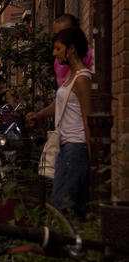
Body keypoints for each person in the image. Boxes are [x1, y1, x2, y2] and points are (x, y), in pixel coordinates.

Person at [29, 27, 92, 219]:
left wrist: (92, 155)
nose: (54, 53)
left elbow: (87, 119)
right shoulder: (71, 76)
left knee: (60, 205)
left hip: (76, 146)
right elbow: (59, 103)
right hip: (67, 146)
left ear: (71, 49)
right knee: (71, 205)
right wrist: (40, 115)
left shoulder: (82, 79)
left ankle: (60, 244)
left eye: (58, 48)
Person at [53, 13, 93, 86]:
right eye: (56, 35)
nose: (58, 38)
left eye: (62, 34)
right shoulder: (58, 60)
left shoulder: (89, 56)